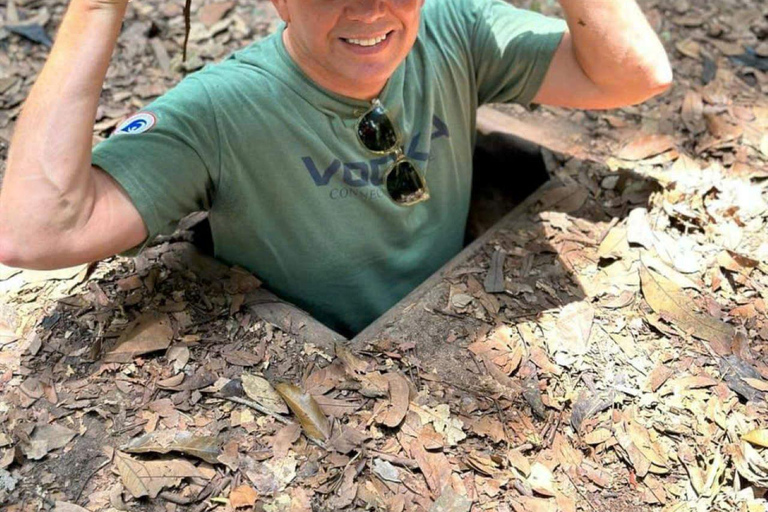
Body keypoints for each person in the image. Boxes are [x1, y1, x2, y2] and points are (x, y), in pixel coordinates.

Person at [0, 0, 672, 337]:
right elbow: (37, 232)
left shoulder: (454, 28)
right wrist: (96, 8)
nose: (369, 9)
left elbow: (632, 73)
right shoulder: (223, 111)